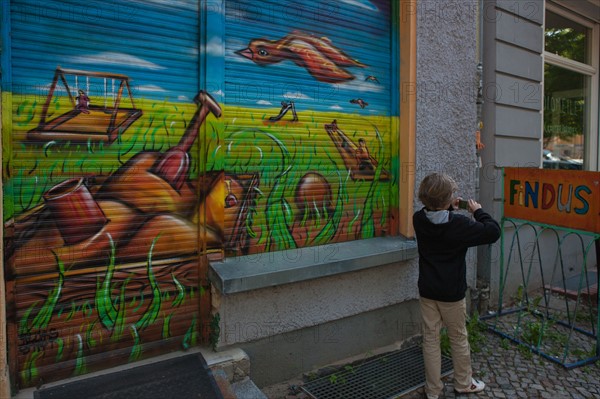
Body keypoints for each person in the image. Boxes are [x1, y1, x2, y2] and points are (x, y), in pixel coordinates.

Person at [413, 173, 500, 399]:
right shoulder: (460, 224)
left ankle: (433, 390)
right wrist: (477, 211)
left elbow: (438, 222)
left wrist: (446, 207)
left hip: (428, 290)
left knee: (430, 339)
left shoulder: (418, 219)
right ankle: (463, 383)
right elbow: (493, 231)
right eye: (451, 195)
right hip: (451, 293)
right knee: (458, 337)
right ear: (447, 200)